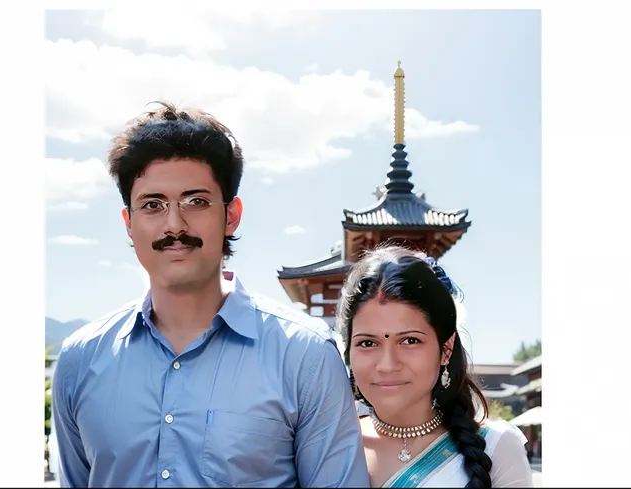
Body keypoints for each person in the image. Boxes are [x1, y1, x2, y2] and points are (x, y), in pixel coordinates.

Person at [51, 101, 369, 488]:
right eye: (152, 205)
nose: (174, 223)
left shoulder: (305, 355)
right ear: (128, 223)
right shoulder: (80, 359)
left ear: (231, 214)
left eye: (196, 201)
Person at [336, 245, 533, 488]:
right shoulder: (332, 444)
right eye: (367, 342)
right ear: (348, 351)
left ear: (445, 349)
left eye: (410, 340)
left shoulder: (496, 448)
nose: (387, 365)